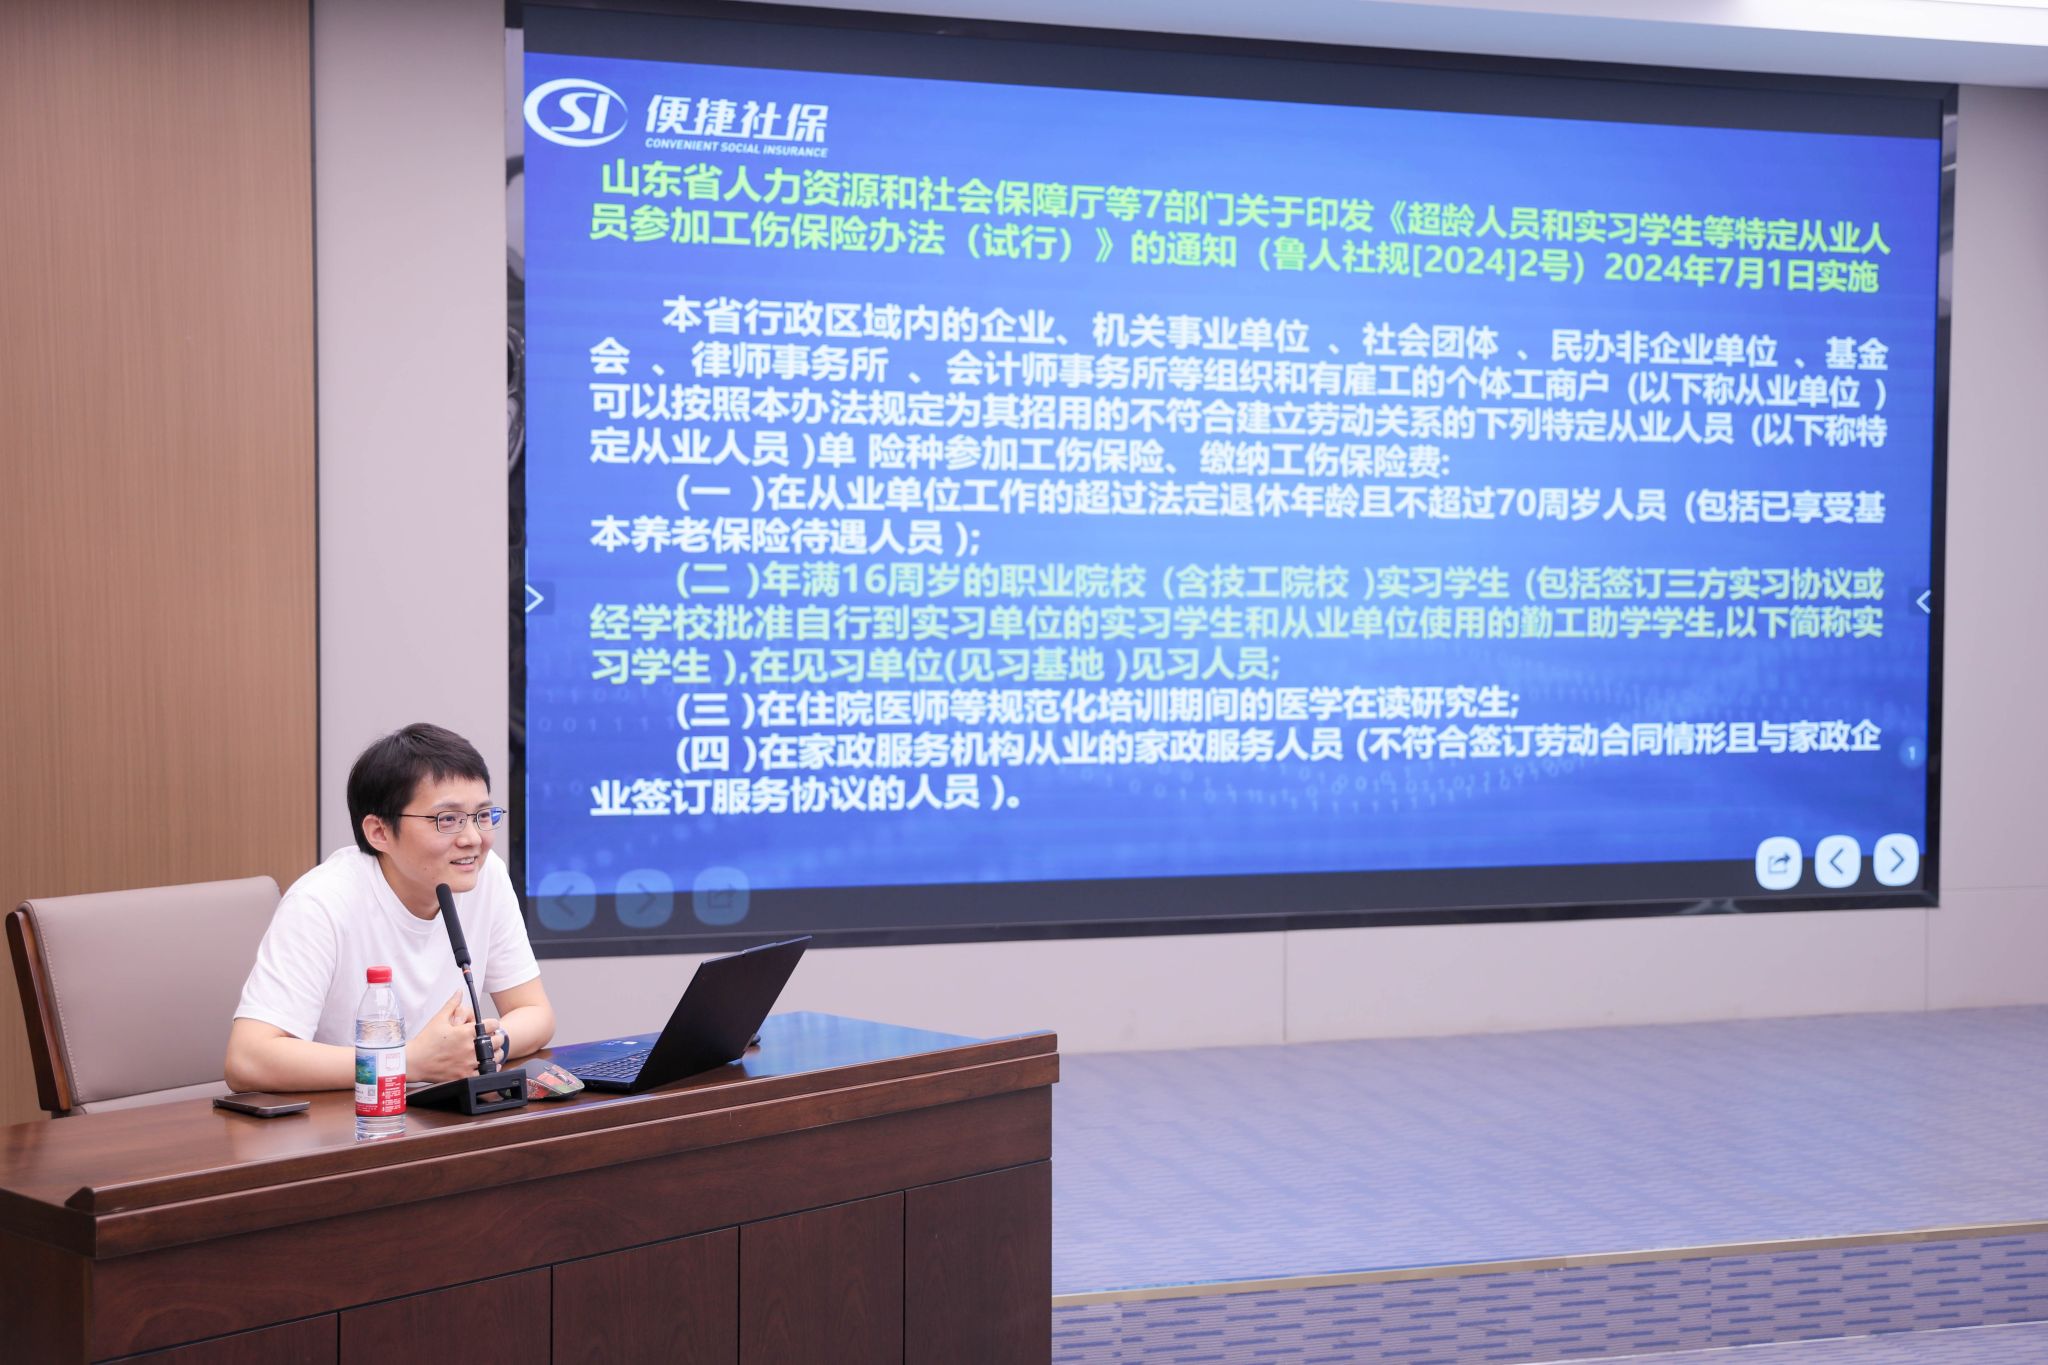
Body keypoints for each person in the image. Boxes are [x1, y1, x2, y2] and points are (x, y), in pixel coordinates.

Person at [225, 723, 556, 1092]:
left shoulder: (484, 873)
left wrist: (487, 1046)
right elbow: (248, 1058)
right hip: (350, 1112)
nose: (473, 839)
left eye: (482, 815)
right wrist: (408, 1061)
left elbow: (535, 1012)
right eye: (447, 820)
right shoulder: (321, 903)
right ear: (379, 832)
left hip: (442, 1108)